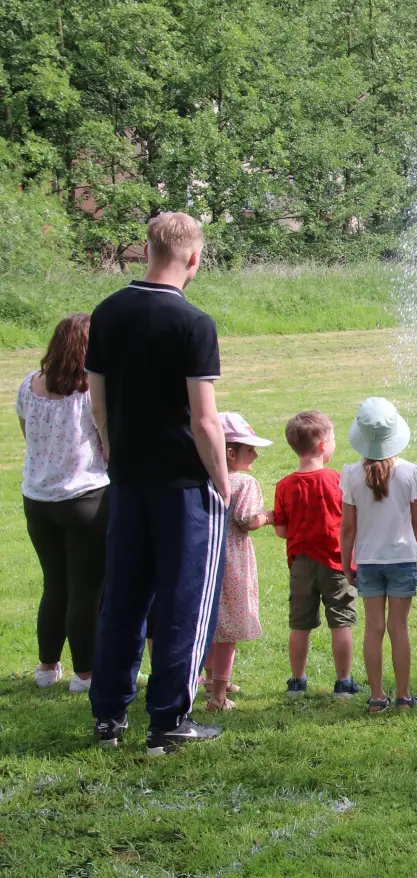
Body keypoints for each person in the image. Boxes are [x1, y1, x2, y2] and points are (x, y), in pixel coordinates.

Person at [86, 212, 229, 755]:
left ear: (146, 251)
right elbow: (205, 419)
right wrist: (223, 481)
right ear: (194, 258)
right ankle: (169, 719)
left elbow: (98, 403)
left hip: (126, 480)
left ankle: (109, 716)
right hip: (182, 485)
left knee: (122, 597)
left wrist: (113, 451)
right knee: (185, 603)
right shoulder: (194, 323)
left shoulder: (107, 312)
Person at [20, 313, 109, 693]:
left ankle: (46, 668)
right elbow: (106, 439)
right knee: (86, 588)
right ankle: (85, 675)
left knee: (54, 583)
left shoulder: (29, 384)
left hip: (38, 498)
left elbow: (28, 435)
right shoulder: (93, 392)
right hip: (85, 498)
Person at [341, 398, 417, 704]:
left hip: (368, 561)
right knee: (398, 627)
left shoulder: (351, 474)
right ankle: (404, 694)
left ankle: (377, 695)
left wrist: (345, 562)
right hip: (403, 559)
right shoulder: (410, 473)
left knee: (373, 629)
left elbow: (348, 527)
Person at [273, 411, 360, 699]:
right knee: (341, 622)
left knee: (299, 624)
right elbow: (349, 523)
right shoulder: (338, 480)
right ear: (323, 445)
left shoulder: (284, 485)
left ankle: (297, 681)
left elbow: (282, 531)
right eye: (333, 439)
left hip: (300, 564)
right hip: (336, 562)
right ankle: (343, 682)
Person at [203, 412, 272, 710]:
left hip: (205, 556)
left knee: (210, 625)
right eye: (249, 449)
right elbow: (246, 520)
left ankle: (211, 680)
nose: (254, 454)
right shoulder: (244, 481)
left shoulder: (201, 477)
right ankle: (218, 696)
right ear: (230, 452)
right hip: (233, 562)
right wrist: (267, 517)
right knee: (229, 629)